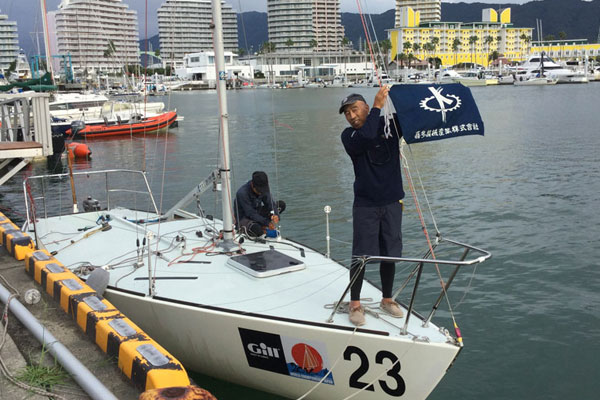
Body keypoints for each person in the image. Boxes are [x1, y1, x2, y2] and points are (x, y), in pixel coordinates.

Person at [339, 87, 405, 326]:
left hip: (392, 202)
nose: (351, 116)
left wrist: (397, 97)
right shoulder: (349, 136)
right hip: (365, 204)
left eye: (354, 109)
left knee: (390, 254)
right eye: (347, 113)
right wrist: (378, 106)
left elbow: (410, 119)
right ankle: (355, 304)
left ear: (365, 107)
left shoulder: (390, 126)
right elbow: (367, 137)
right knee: (361, 255)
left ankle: (387, 299)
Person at [234, 171, 286, 238]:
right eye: (259, 191)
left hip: (258, 212)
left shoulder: (264, 189)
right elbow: (251, 213)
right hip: (245, 218)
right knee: (257, 229)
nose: (261, 193)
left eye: (262, 191)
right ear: (252, 185)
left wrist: (275, 214)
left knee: (280, 205)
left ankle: (263, 226)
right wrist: (267, 222)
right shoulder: (242, 193)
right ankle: (263, 230)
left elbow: (270, 203)